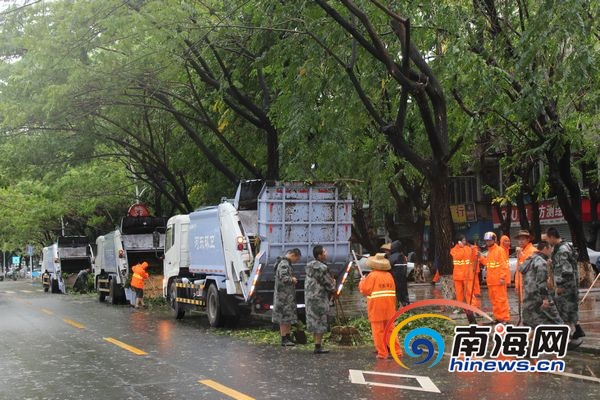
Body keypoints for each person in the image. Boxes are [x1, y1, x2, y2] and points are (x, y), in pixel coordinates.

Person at [545, 228, 584, 345]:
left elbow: (567, 270)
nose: (548, 242)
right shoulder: (565, 246)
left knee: (564, 311)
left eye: (547, 238)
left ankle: (567, 338)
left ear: (552, 237)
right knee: (571, 309)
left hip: (566, 286)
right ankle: (577, 331)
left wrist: (561, 285)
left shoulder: (562, 250)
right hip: (571, 285)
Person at [359, 253, 401, 360]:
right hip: (390, 307)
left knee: (378, 331)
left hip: (376, 308)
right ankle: (396, 351)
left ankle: (382, 353)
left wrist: (362, 282)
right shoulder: (389, 276)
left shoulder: (372, 276)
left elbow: (365, 291)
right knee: (390, 330)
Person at [519, 241, 563, 328]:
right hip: (538, 296)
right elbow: (541, 282)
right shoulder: (541, 262)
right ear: (546, 248)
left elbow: (523, 271)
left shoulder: (530, 259)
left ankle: (529, 339)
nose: (551, 251)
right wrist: (545, 299)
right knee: (556, 320)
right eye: (550, 249)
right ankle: (566, 338)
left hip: (528, 296)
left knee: (531, 322)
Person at [305, 245, 336, 354]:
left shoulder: (309, 266)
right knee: (321, 321)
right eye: (324, 251)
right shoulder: (322, 268)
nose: (326, 253)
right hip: (320, 298)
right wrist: (334, 286)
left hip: (310, 298)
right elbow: (328, 283)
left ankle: (316, 344)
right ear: (319, 255)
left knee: (314, 321)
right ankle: (318, 346)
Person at [479, 232, 510, 323]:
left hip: (498, 281)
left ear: (494, 240)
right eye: (487, 241)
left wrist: (502, 277)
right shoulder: (490, 251)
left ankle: (505, 318)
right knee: (494, 301)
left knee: (501, 300)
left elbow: (504, 265)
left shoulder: (500, 250)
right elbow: (488, 263)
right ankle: (498, 317)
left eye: (490, 240)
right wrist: (480, 257)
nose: (488, 242)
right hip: (491, 281)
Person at [273, 248, 301, 347]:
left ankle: (288, 337)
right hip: (283, 297)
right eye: (296, 259)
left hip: (286, 296)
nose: (296, 262)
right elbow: (284, 278)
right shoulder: (284, 264)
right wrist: (292, 279)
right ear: (293, 255)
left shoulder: (286, 263)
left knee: (288, 317)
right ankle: (284, 338)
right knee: (284, 318)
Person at [514, 230, 536, 305]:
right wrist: (517, 285)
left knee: (531, 306)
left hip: (529, 284)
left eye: (523, 239)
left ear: (528, 239)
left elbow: (529, 266)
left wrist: (521, 254)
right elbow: (518, 270)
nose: (520, 241)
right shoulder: (522, 251)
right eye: (519, 239)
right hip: (522, 284)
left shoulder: (533, 250)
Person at [450, 235, 472, 306]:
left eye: (465, 240)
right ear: (459, 241)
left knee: (469, 292)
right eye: (463, 240)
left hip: (467, 274)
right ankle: (461, 307)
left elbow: (474, 257)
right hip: (458, 275)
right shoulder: (453, 250)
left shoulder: (468, 249)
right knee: (459, 293)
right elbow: (458, 257)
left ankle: (472, 306)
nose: (465, 242)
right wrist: (462, 248)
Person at [388, 241, 410, 307]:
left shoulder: (391, 257)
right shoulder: (403, 257)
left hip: (394, 280)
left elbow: (388, 268)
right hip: (403, 280)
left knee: (396, 294)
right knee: (404, 293)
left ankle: (396, 306)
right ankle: (406, 305)